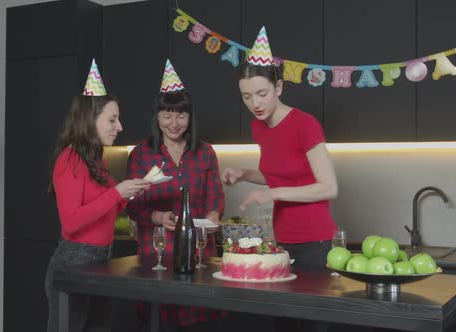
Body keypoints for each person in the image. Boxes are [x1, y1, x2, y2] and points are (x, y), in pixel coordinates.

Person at [45, 59, 150, 332]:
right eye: (112, 120)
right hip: (74, 263)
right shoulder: (70, 158)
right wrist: (117, 192)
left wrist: (137, 189)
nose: (120, 127)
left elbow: (107, 211)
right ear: (89, 120)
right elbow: (71, 221)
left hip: (101, 262)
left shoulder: (96, 161)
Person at [221, 27, 338, 270]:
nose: (255, 103)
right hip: (282, 238)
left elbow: (328, 187)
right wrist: (244, 174)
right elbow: (280, 175)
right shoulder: (258, 126)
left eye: (262, 93)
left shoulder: (305, 125)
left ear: (279, 87)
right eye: (246, 96)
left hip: (316, 240)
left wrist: (273, 193)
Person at [126, 59, 226, 331]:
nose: (174, 123)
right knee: (161, 320)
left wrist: (214, 214)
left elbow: (216, 195)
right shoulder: (141, 154)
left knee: (201, 319)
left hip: (200, 253)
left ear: (190, 117)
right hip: (158, 254)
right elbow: (132, 205)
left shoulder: (205, 152)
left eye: (181, 115)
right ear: (156, 116)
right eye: (167, 115)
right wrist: (157, 216)